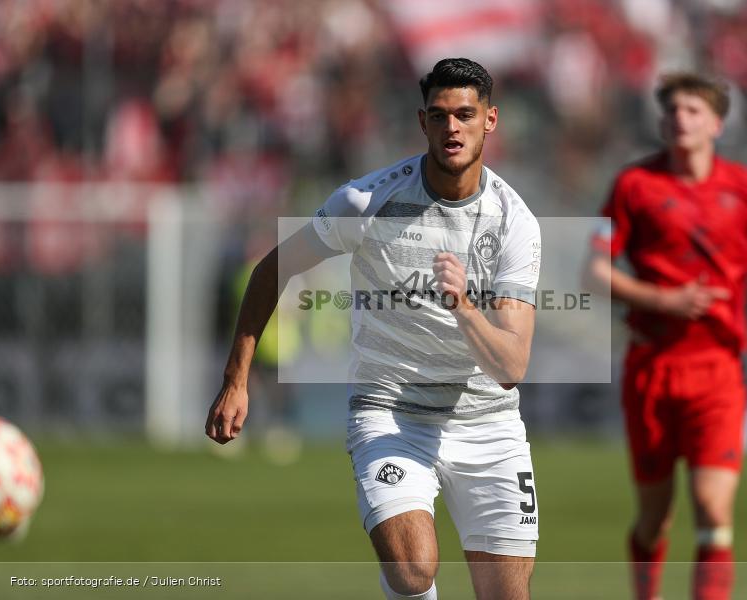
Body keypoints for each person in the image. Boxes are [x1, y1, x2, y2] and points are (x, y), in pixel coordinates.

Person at [206, 58, 541, 600]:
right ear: (422, 122)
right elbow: (274, 267)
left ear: (491, 120)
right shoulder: (365, 202)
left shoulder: (515, 223)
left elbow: (512, 367)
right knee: (413, 570)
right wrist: (236, 378)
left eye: (465, 114)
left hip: (489, 424)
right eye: (439, 116)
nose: (452, 127)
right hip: (392, 413)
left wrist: (463, 307)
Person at [584, 72, 747, 600]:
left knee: (713, 509)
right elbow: (594, 270)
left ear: (717, 123)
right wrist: (662, 300)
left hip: (717, 368)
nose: (680, 118)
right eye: (672, 109)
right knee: (653, 519)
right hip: (652, 367)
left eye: (693, 110)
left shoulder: (745, 187)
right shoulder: (634, 186)